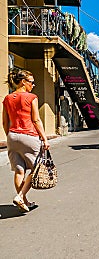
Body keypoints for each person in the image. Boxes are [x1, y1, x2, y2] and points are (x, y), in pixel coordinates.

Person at [2, 70, 50, 212]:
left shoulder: (7, 98)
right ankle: (21, 196)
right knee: (36, 169)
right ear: (23, 82)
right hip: (29, 135)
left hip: (12, 136)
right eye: (31, 82)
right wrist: (45, 138)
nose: (33, 85)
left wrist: (11, 136)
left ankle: (24, 202)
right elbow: (35, 119)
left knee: (19, 170)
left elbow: (5, 122)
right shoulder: (31, 97)